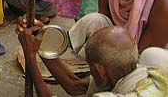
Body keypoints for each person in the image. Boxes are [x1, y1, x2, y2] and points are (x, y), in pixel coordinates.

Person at [18, 24, 168, 96]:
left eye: (90, 66)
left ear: (100, 70)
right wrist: (41, 45)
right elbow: (75, 86)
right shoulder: (151, 73)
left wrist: (30, 57)